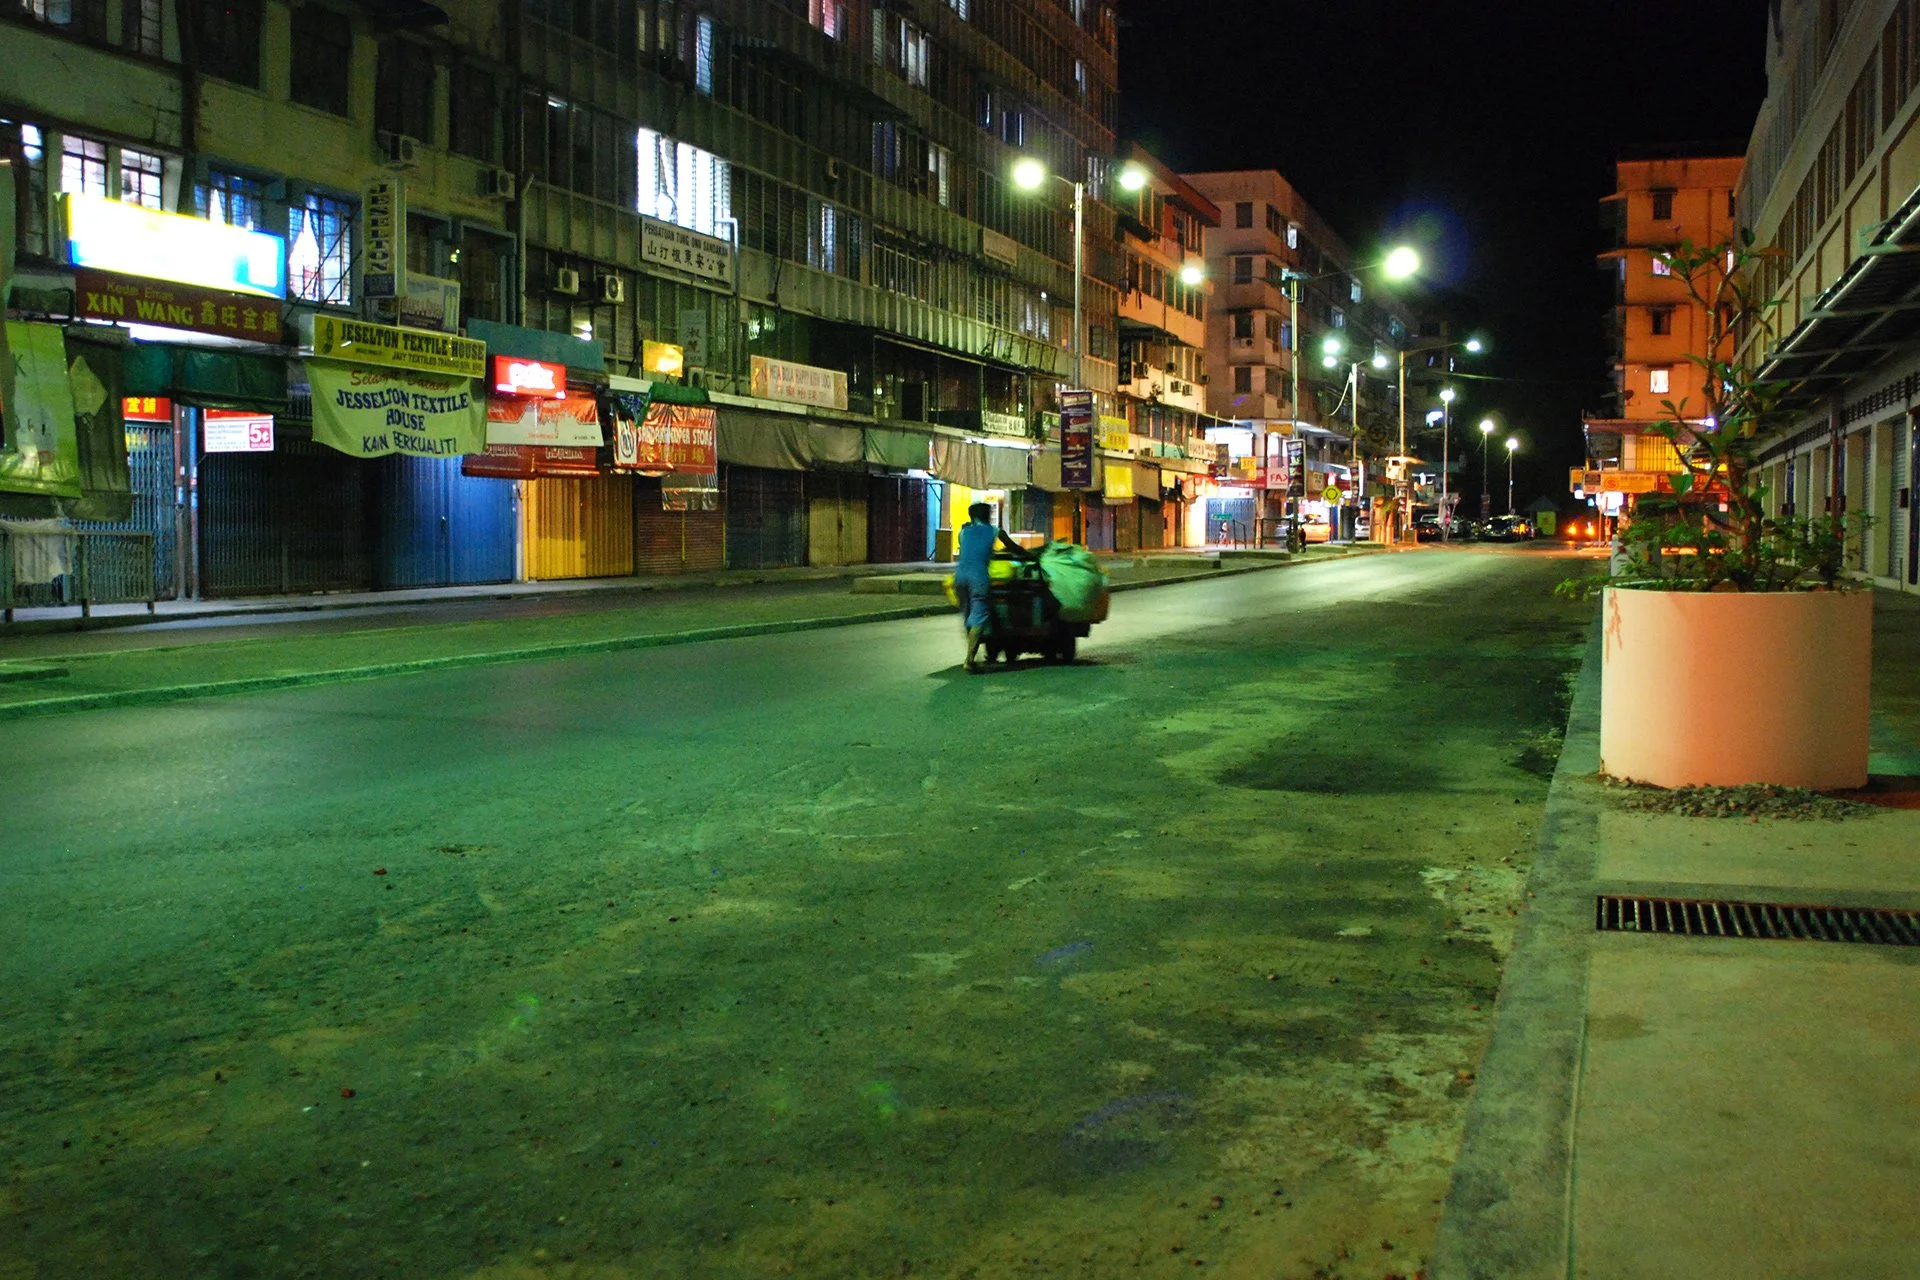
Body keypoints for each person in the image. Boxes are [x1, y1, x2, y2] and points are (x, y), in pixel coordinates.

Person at [952, 502, 1031, 672]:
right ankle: (969, 660)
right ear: (988, 516)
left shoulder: (963, 532)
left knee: (967, 614)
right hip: (978, 577)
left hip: (959, 577)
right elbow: (1014, 548)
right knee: (979, 616)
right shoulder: (995, 531)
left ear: (972, 516)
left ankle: (972, 649)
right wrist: (1029, 555)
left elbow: (971, 549)